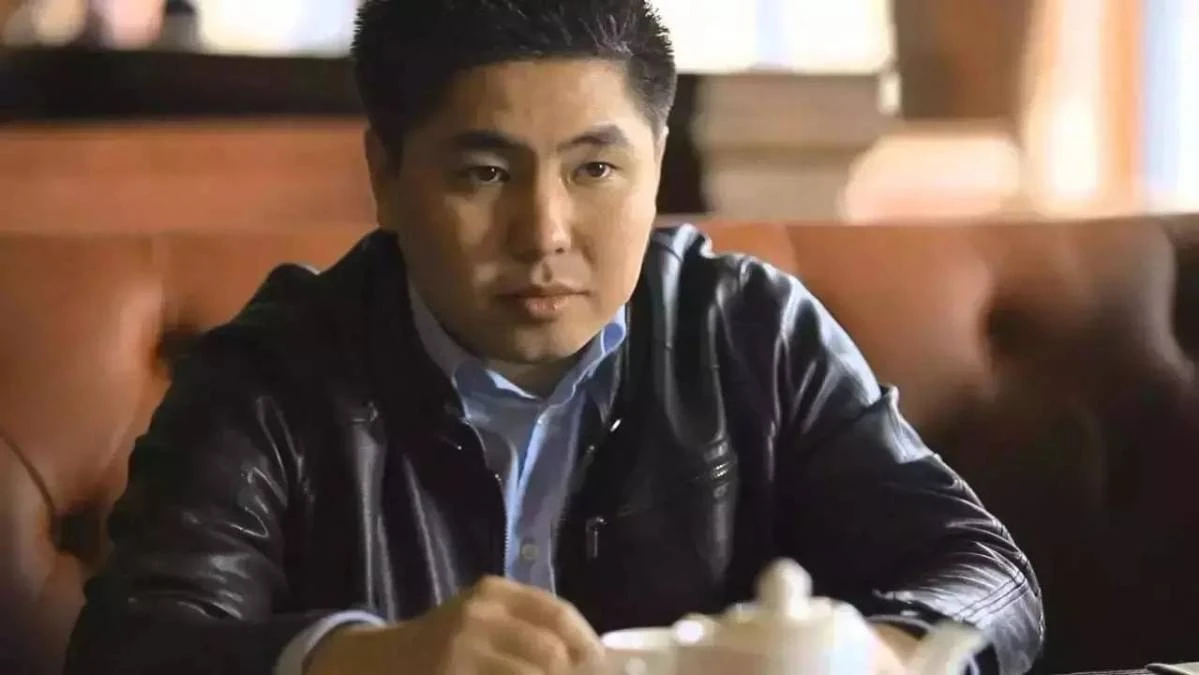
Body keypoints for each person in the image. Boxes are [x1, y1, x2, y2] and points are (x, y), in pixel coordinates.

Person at [63, 0, 1045, 674]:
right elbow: (131, 647)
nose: (543, 233)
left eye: (593, 171)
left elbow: (985, 576)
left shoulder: (752, 334)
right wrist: (360, 659)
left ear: (657, 165)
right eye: (485, 173)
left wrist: (877, 656)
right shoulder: (273, 372)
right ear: (386, 176)